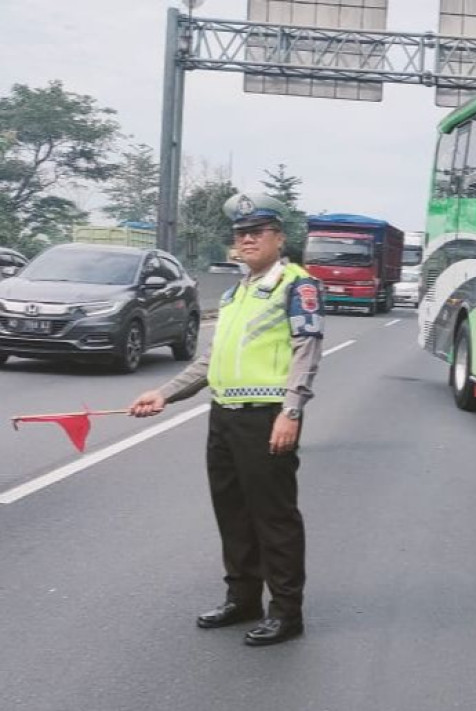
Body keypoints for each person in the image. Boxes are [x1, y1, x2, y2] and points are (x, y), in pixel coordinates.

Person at [129, 192, 324, 647]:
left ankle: (286, 612)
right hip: (223, 416)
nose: (247, 240)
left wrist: (291, 412)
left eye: (257, 232)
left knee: (273, 518)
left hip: (267, 416)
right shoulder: (238, 291)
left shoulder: (298, 285)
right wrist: (162, 394)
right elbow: (210, 363)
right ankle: (242, 598)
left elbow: (307, 351)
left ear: (279, 237)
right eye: (240, 234)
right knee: (232, 514)